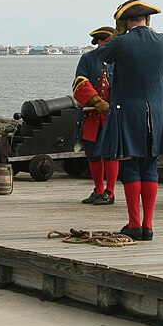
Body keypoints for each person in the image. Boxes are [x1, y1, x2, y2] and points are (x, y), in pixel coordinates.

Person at [89, 0, 163, 241]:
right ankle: (149, 225)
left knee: (131, 166)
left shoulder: (121, 42)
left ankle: (135, 224)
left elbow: (100, 54)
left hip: (128, 113)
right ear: (148, 20)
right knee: (150, 167)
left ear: (124, 22)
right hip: (156, 114)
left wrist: (118, 34)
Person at [72, 25, 117, 205]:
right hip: (91, 115)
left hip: (112, 114)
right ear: (99, 43)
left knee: (110, 154)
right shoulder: (88, 59)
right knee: (92, 153)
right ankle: (99, 189)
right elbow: (79, 82)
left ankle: (110, 192)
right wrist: (97, 101)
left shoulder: (119, 60)